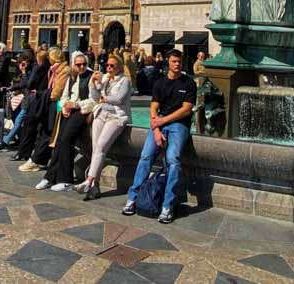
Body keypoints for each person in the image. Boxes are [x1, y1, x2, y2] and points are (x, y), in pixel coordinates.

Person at [121, 50, 196, 224]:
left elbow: (186, 109)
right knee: (146, 156)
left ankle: (167, 205)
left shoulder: (189, 83)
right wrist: (156, 129)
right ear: (168, 63)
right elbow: (153, 107)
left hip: (179, 125)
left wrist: (162, 121)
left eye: (179, 62)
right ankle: (133, 198)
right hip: (160, 124)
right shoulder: (160, 83)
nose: (177, 64)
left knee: (173, 159)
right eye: (174, 61)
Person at [36, 52, 93, 191]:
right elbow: (64, 96)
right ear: (74, 64)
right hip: (70, 111)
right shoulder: (72, 77)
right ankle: (50, 177)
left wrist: (76, 105)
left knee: (66, 139)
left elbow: (95, 99)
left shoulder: (92, 77)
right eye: (78, 64)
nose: (81, 67)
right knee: (59, 141)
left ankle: (65, 179)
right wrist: (64, 107)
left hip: (82, 111)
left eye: (84, 64)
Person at [80, 53, 131, 200]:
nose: (108, 68)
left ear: (119, 67)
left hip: (116, 117)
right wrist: (93, 84)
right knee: (96, 148)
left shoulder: (125, 81)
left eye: (112, 66)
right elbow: (96, 98)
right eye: (107, 65)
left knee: (101, 146)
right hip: (100, 114)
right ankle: (94, 186)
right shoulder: (105, 79)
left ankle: (89, 181)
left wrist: (105, 98)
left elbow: (119, 99)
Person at [19, 47, 68, 172]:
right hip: (49, 103)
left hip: (56, 105)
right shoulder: (53, 71)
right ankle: (37, 159)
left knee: (47, 132)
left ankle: (36, 160)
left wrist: (42, 94)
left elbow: (56, 92)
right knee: (44, 131)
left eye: (50, 58)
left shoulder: (64, 70)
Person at [12, 48, 52, 163]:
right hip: (42, 100)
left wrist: (24, 72)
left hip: (35, 100)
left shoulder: (38, 68)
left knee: (28, 127)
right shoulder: (47, 68)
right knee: (35, 129)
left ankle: (23, 153)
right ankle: (26, 153)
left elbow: (29, 84)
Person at [0, 51, 34, 151]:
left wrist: (24, 71)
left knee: (18, 120)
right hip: (25, 97)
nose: (19, 65)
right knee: (15, 117)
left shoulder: (30, 71)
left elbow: (25, 83)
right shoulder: (27, 71)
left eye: (22, 63)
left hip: (29, 99)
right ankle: (20, 139)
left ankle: (5, 142)